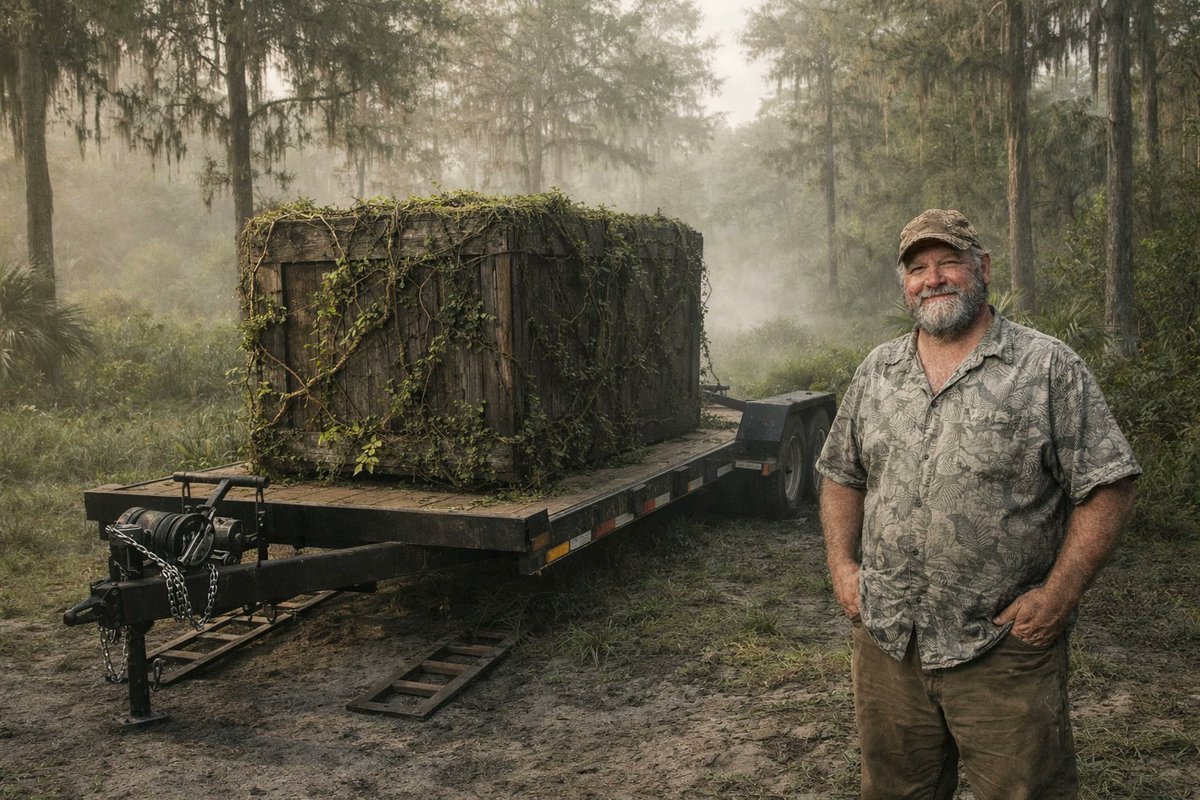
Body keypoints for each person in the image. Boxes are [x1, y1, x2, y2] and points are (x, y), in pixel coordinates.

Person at [815, 208, 1141, 800]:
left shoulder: (1046, 367)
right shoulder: (878, 372)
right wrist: (842, 566)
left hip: (1003, 649)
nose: (933, 279)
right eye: (918, 269)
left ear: (983, 268)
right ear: (905, 283)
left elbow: (1108, 484)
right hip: (889, 645)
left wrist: (1059, 594)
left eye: (949, 263)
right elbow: (842, 474)